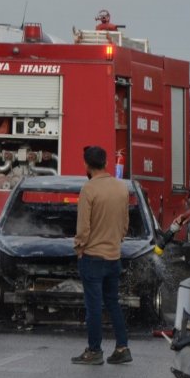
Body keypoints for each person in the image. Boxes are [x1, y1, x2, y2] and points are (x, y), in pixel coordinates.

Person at [71, 145, 132, 365]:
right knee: (113, 303)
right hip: (113, 256)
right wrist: (116, 241)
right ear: (106, 162)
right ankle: (122, 347)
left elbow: (83, 227)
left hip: (92, 256)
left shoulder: (89, 189)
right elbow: (125, 224)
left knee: (94, 306)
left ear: (86, 164)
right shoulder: (121, 187)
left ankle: (94, 350)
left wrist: (79, 247)